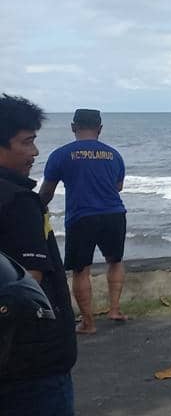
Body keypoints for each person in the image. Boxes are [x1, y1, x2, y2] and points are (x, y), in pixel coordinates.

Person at [0, 94, 80, 416]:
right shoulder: (16, 203)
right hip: (29, 369)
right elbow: (26, 289)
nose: (34, 153)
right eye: (27, 142)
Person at [39, 109, 127, 335]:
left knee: (81, 269)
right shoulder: (114, 154)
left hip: (81, 216)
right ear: (100, 128)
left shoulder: (61, 155)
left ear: (73, 126)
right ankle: (115, 310)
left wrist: (36, 209)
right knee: (115, 261)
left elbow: (47, 192)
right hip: (114, 213)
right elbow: (118, 187)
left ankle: (88, 323)